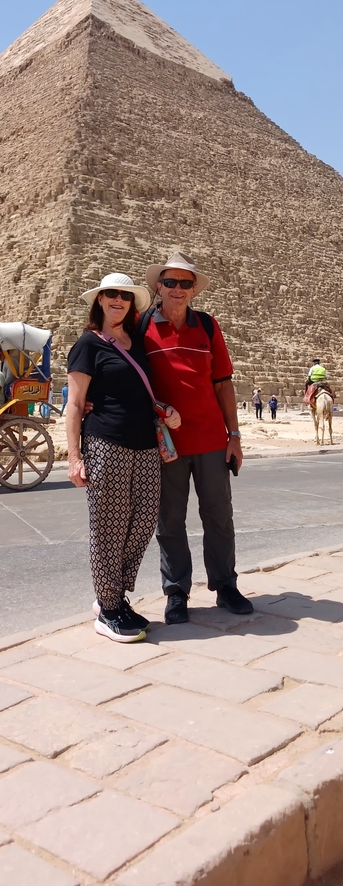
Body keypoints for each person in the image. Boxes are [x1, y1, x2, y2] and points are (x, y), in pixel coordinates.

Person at [67, 271, 180, 643]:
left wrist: (163, 408)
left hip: (145, 445)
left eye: (125, 295)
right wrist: (73, 457)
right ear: (99, 299)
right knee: (108, 527)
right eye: (111, 294)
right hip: (106, 443)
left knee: (144, 520)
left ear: (132, 303)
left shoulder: (137, 344)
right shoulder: (88, 344)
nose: (118, 300)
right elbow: (74, 404)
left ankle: (114, 595)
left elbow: (141, 392)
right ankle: (108, 606)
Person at [141, 250, 253, 624]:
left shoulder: (207, 326)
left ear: (193, 289)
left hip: (210, 440)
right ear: (158, 286)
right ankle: (176, 592)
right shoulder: (141, 327)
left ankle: (225, 585)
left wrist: (233, 435)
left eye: (184, 283)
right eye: (170, 282)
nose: (177, 289)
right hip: (165, 445)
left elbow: (223, 384)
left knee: (219, 516)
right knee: (170, 521)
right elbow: (118, 369)